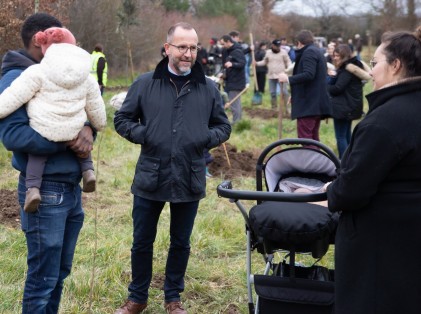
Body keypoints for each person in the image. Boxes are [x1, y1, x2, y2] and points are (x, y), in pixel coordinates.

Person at [113, 22, 231, 314]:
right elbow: (122, 120)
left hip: (189, 175)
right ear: (167, 49)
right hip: (150, 174)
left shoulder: (208, 88)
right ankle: (137, 298)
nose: (188, 53)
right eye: (182, 47)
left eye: (193, 47)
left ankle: (173, 298)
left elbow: (223, 125)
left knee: (181, 242)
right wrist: (145, 135)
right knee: (142, 240)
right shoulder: (144, 84)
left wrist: (206, 138)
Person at [0, 12, 95, 313]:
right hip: (43, 189)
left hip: (71, 186)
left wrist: (89, 130)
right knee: (43, 278)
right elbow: (13, 134)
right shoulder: (18, 77)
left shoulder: (61, 75)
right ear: (42, 38)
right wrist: (65, 138)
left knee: (60, 273)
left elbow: (87, 112)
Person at [325, 26, 421, 314]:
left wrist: (329, 192)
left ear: (395, 66)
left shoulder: (384, 121)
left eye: (376, 62)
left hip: (379, 247)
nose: (372, 71)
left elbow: (350, 192)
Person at [0, 27, 106, 212]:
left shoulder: (37, 72)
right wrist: (96, 125)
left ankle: (33, 189)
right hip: (74, 128)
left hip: (46, 129)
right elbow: (97, 109)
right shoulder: (86, 76)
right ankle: (88, 171)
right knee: (82, 149)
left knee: (36, 155)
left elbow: (13, 97)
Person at [279, 30, 331, 141]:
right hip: (314, 103)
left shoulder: (309, 52)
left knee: (305, 139)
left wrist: (287, 78)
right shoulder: (316, 51)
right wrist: (295, 95)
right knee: (313, 138)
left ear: (299, 42)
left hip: (309, 104)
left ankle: (312, 158)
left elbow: (309, 74)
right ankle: (317, 158)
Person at [327, 44, 369, 158]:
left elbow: (337, 89)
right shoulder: (351, 67)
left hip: (344, 107)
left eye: (337, 56)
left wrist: (326, 85)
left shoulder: (346, 70)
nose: (334, 58)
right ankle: (350, 159)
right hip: (350, 106)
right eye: (334, 55)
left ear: (344, 56)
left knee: (341, 136)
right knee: (346, 134)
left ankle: (344, 162)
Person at [255, 39, 291, 111]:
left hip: (281, 76)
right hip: (271, 76)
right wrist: (256, 63)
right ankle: (274, 108)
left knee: (284, 92)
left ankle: (288, 109)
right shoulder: (268, 53)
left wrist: (289, 69)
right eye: (276, 46)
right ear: (273, 45)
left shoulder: (283, 52)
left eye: (279, 46)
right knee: (272, 93)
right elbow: (264, 62)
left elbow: (288, 61)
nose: (278, 47)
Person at [220, 34, 246, 124]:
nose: (222, 46)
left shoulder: (237, 51)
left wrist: (232, 64)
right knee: (235, 102)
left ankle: (236, 122)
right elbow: (225, 65)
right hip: (230, 80)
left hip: (236, 81)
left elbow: (242, 63)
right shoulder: (227, 51)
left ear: (228, 42)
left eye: (223, 44)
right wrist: (223, 74)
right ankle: (238, 120)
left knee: (234, 102)